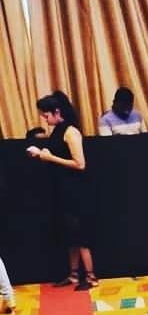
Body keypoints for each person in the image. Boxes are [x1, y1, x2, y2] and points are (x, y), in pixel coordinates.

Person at [29, 93, 98, 290]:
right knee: (70, 232)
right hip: (63, 189)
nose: (45, 119)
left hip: (75, 190)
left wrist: (49, 157)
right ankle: (74, 274)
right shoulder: (58, 131)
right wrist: (46, 155)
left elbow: (80, 163)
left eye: (46, 115)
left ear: (56, 112)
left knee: (80, 233)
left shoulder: (70, 131)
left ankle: (91, 277)